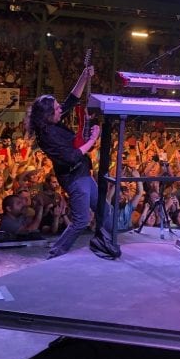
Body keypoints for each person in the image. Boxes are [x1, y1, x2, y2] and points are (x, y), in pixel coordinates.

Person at [25, 65, 110, 259]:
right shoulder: (47, 135)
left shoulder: (51, 120)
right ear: (47, 114)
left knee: (104, 210)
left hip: (82, 172)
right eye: (56, 108)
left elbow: (71, 100)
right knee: (81, 221)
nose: (60, 109)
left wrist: (83, 77)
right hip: (74, 177)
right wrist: (92, 139)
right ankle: (55, 253)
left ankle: (105, 241)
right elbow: (72, 156)